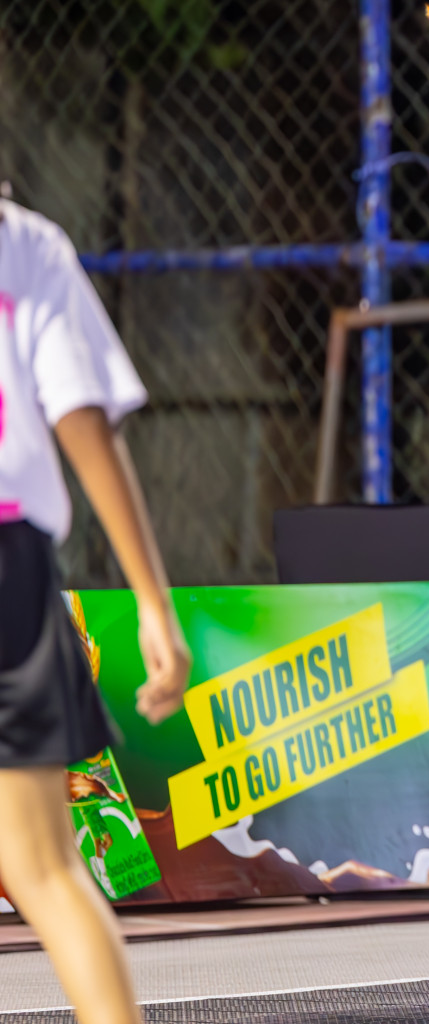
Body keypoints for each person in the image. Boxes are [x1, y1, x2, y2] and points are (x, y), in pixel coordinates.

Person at [0, 197, 190, 1024]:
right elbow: (84, 419)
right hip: (8, 562)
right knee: (46, 870)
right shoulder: (24, 242)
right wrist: (153, 601)